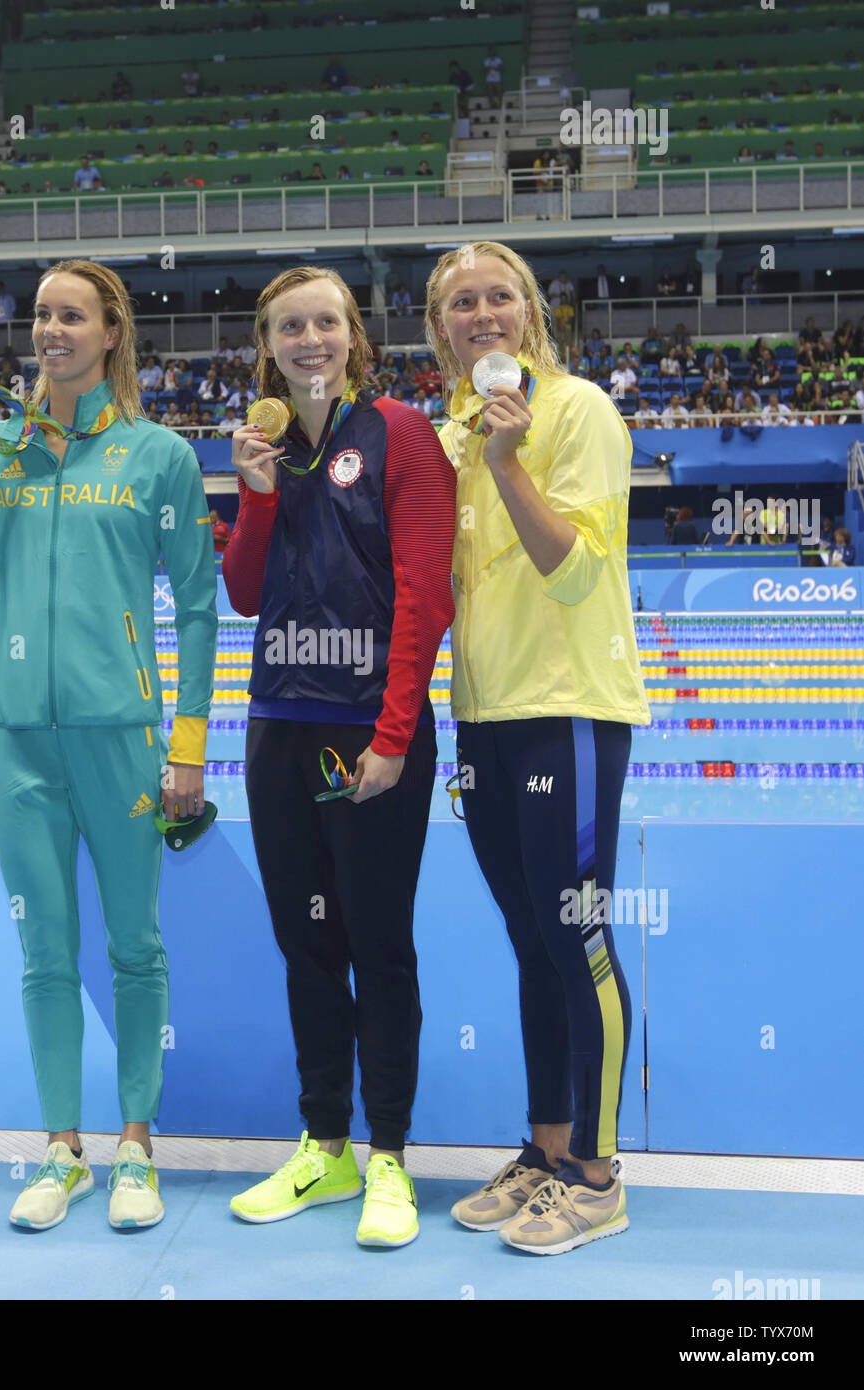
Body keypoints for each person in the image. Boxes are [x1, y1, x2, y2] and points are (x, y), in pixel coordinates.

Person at [0, 259, 217, 1234]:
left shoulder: (157, 455)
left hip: (123, 740)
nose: (53, 329)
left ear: (110, 332)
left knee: (135, 947)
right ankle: (61, 1150)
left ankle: (135, 1145)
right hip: (18, 744)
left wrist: (188, 748)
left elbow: (202, 610)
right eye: (43, 314)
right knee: (44, 953)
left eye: (73, 315)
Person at [222, 265, 456, 1248]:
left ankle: (392, 1152)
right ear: (267, 345)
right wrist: (256, 492)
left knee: (376, 940)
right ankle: (327, 1146)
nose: (308, 339)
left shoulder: (398, 433)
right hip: (282, 726)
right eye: (289, 327)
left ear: (353, 335)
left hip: (366, 732)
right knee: (306, 943)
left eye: (325, 322)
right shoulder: (264, 442)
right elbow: (243, 592)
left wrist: (395, 737)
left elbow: (425, 597)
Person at [424, 239, 649, 1253]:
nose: (481, 314)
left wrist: (509, 463)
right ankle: (548, 1147)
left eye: (498, 297)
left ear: (530, 314)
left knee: (576, 935)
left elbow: (573, 571)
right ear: (439, 329)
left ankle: (598, 1176)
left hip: (569, 710)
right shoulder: (452, 434)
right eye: (460, 303)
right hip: (486, 717)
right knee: (530, 939)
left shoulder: (578, 412)